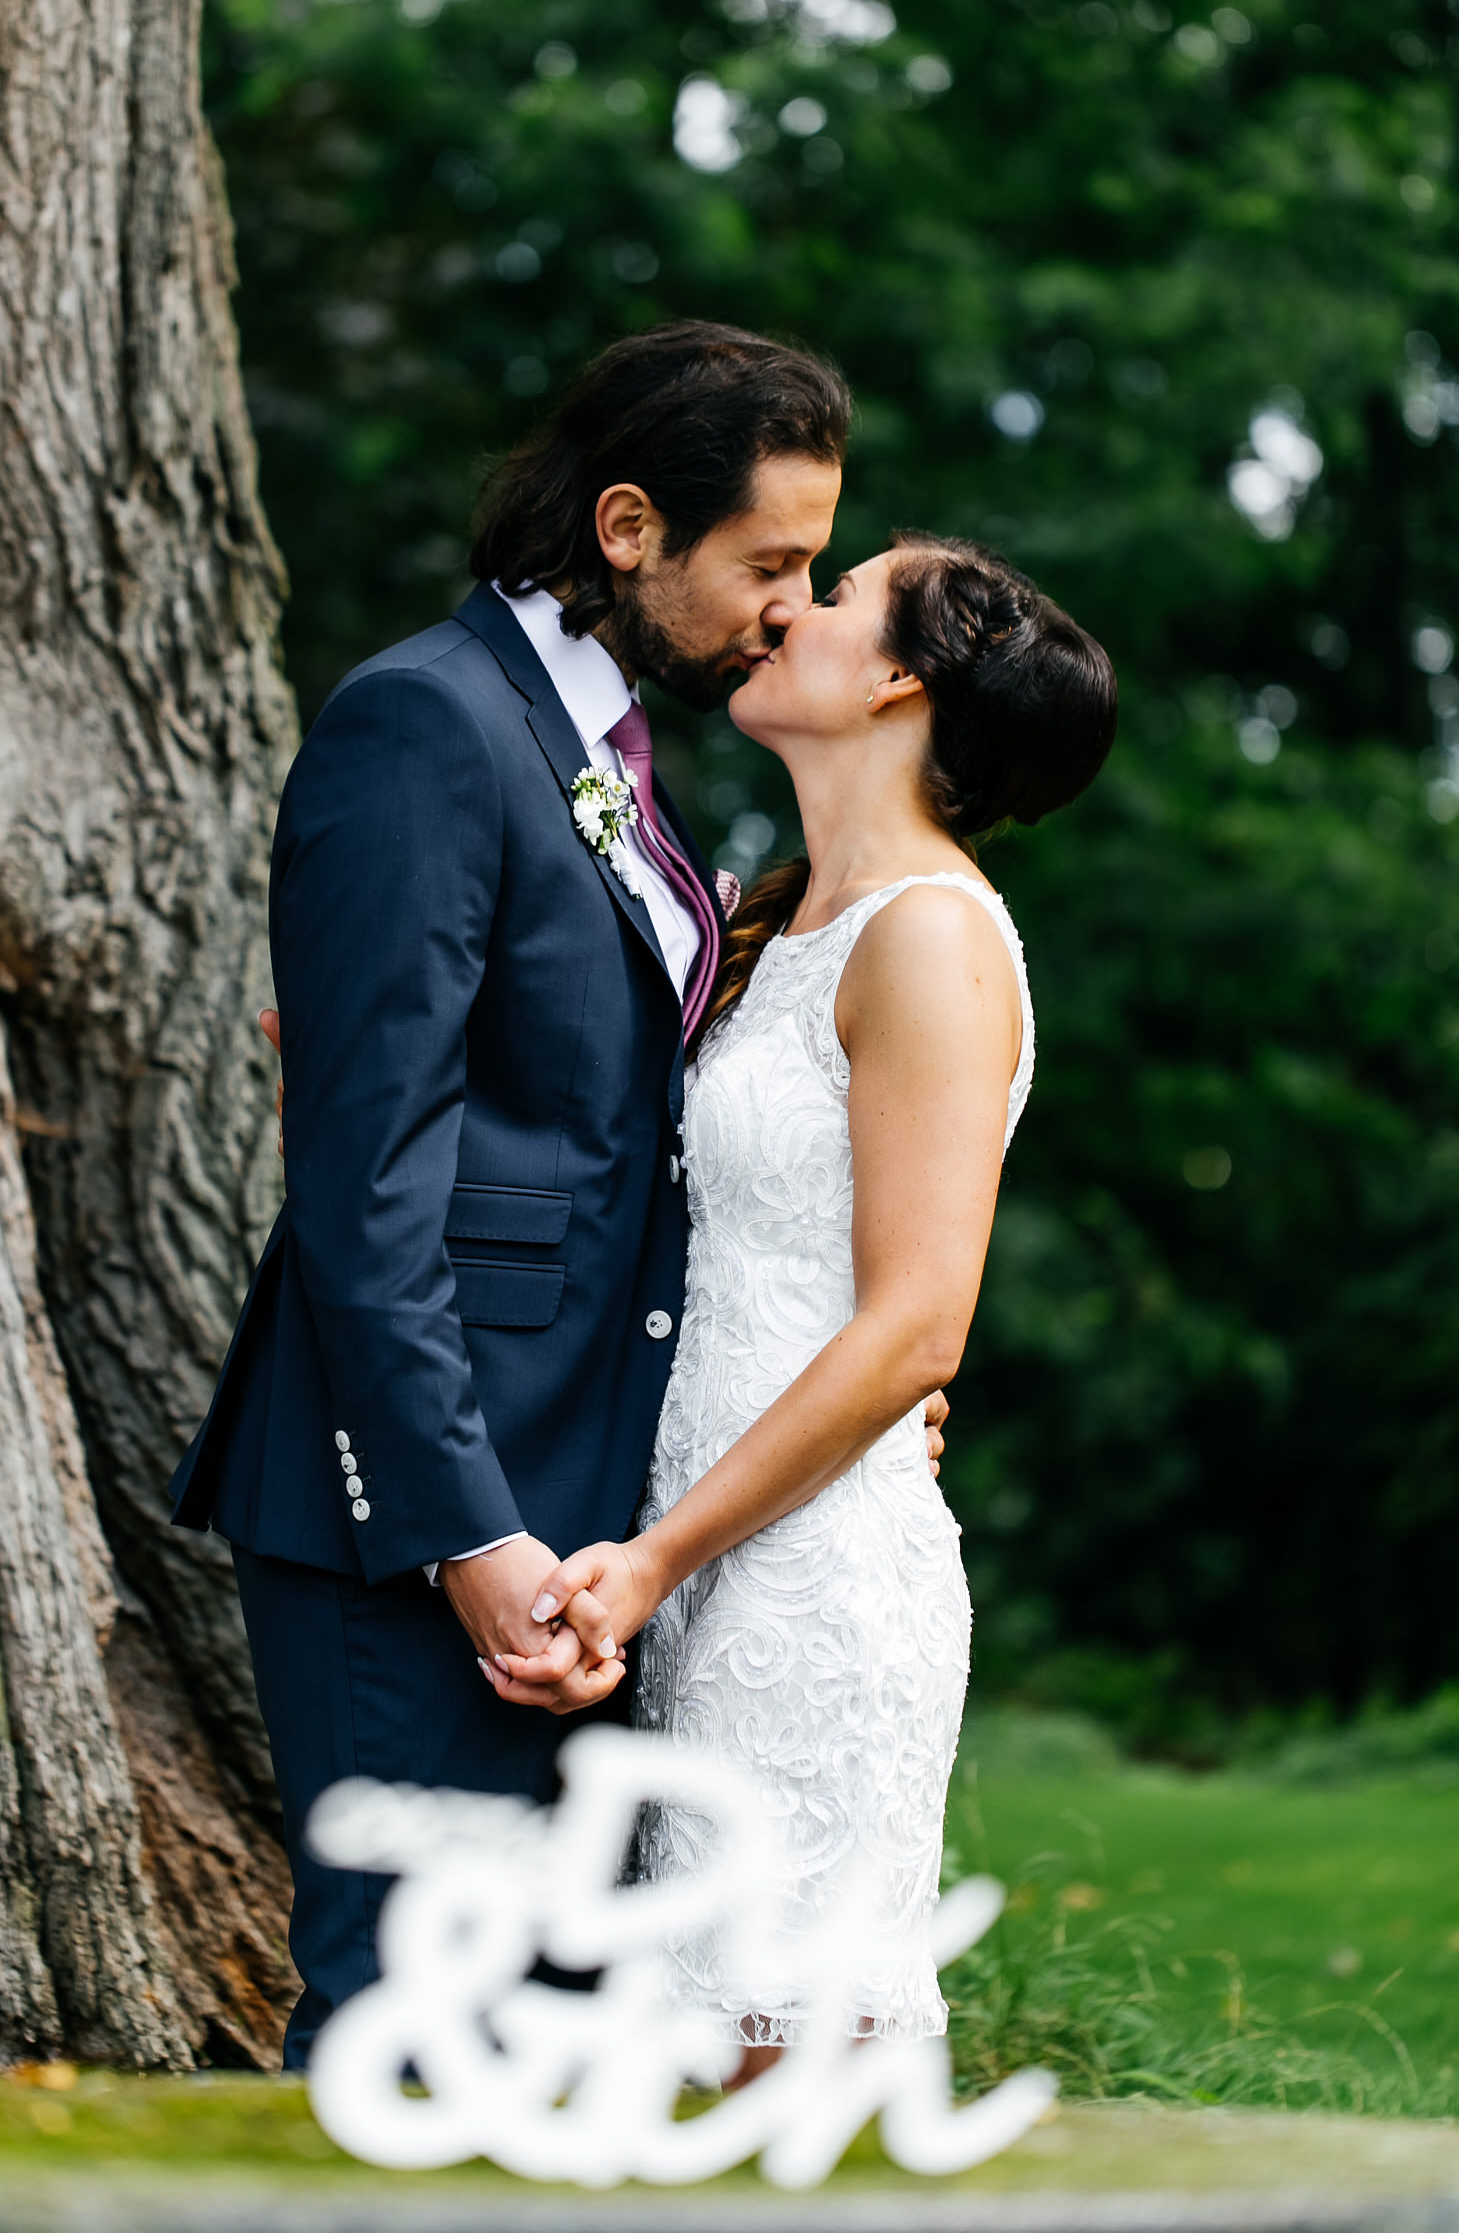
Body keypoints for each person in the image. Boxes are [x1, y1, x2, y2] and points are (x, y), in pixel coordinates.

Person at [169, 320, 947, 2068]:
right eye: (767, 564)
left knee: (549, 2054)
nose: (789, 610)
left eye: (812, 570)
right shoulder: (422, 725)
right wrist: (469, 1536)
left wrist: (834, 1369)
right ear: (627, 528)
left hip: (590, 1503)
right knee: (414, 2031)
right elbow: (367, 1186)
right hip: (424, 1504)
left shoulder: (607, 752)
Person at [489, 534, 1117, 2066]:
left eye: (837, 596)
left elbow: (917, 1327)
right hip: (690, 1559)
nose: (790, 608)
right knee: (683, 2083)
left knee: (780, 2079)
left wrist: (655, 1564)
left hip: (800, 1591)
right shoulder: (779, 926)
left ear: (901, 676)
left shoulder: (934, 938)